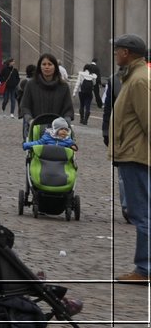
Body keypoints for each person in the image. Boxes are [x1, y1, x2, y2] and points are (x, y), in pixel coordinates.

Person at [108, 33, 150, 285]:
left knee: (142, 212)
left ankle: (144, 268)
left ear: (127, 53)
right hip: (132, 154)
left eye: (117, 50)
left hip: (136, 156)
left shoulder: (139, 80)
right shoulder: (134, 76)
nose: (115, 54)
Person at [19, 52, 74, 129]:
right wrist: (30, 120)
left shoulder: (63, 86)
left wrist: (65, 122)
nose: (47, 67)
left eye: (50, 64)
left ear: (55, 67)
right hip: (35, 128)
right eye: (44, 64)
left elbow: (68, 109)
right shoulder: (31, 84)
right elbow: (25, 106)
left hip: (57, 130)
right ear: (40, 67)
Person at [78, 58, 102, 126]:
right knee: (96, 96)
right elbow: (98, 76)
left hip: (82, 90)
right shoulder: (97, 68)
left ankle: (81, 119)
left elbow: (78, 83)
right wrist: (99, 83)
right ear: (96, 61)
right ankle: (99, 104)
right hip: (91, 88)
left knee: (82, 105)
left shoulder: (83, 72)